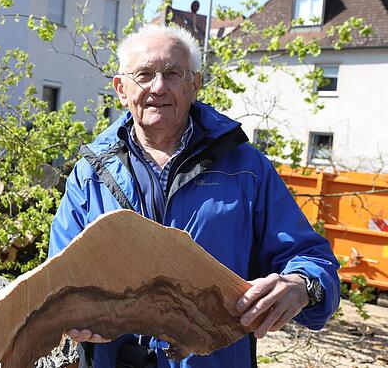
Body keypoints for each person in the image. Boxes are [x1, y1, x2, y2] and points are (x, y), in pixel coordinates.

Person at [47, 24, 339, 368]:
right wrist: (76, 314)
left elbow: (314, 261)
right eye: (144, 75)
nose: (158, 86)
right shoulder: (90, 172)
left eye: (172, 73)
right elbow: (59, 277)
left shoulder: (246, 168)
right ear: (121, 89)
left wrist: (301, 286)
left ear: (194, 84)